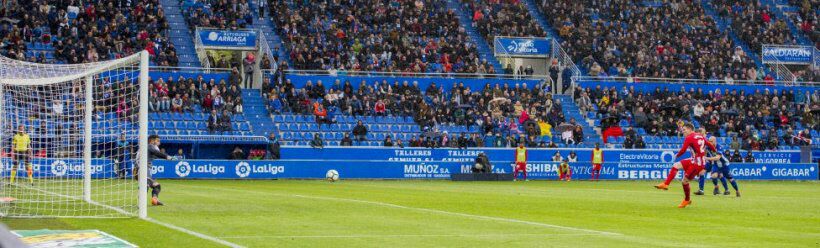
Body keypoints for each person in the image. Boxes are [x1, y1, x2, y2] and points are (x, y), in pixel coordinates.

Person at [654, 123, 716, 208]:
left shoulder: (689, 137)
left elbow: (683, 150)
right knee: (676, 165)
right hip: (694, 160)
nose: (683, 132)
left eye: (684, 130)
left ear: (690, 129)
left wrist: (677, 155)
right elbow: (709, 144)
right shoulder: (700, 135)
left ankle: (687, 200)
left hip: (697, 163)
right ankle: (666, 184)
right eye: (682, 130)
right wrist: (714, 150)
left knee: (684, 181)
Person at [146, 135, 171, 206]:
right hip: (142, 168)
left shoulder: (148, 148)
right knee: (146, 185)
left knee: (157, 186)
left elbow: (157, 154)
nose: (159, 142)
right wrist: (167, 157)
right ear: (151, 141)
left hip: (145, 169)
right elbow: (156, 153)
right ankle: (141, 203)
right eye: (157, 140)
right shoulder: (149, 146)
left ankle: (155, 200)